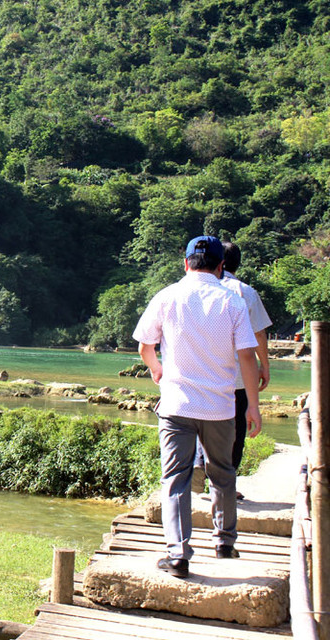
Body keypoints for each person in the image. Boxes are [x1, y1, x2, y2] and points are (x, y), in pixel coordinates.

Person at [132, 235, 262, 579]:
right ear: (221, 267)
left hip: (177, 404)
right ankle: (224, 542)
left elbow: (146, 345)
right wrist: (253, 405)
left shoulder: (167, 296)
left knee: (176, 479)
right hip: (220, 406)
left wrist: (157, 370)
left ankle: (178, 555)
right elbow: (247, 357)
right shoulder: (232, 300)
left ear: (186, 263)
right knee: (223, 474)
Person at [193, 242, 272, 497]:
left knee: (199, 420)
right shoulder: (244, 292)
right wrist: (264, 366)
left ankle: (198, 465)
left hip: (203, 372)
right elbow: (258, 333)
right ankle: (226, 484)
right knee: (235, 430)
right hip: (237, 377)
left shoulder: (195, 289)